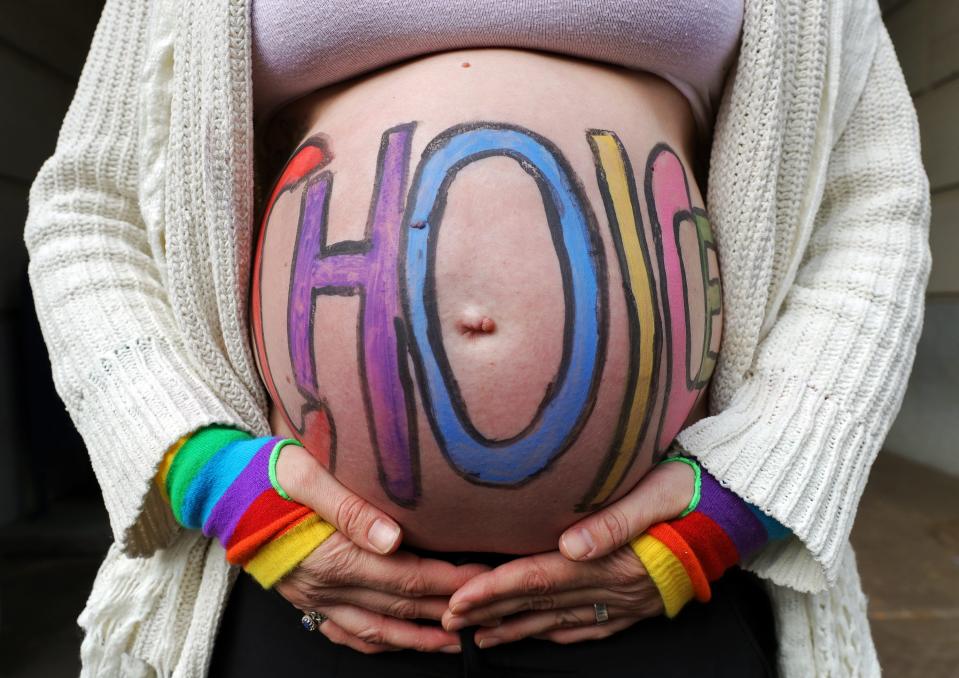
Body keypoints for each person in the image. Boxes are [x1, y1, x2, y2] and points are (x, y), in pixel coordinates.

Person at [24, 0, 929, 676]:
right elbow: (89, 209)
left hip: (667, 587)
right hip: (303, 584)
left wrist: (745, 497)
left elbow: (872, 205)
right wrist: (205, 473)